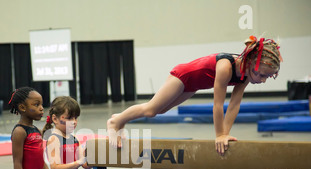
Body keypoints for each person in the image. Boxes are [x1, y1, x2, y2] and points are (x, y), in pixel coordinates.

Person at [107, 36, 283, 154]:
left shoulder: (244, 75)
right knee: (151, 110)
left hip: (194, 86)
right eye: (260, 74)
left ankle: (120, 119)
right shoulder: (226, 66)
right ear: (250, 61)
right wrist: (218, 134)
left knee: (159, 111)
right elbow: (218, 105)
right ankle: (115, 121)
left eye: (267, 77)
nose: (262, 80)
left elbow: (234, 105)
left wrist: (225, 134)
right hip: (183, 77)